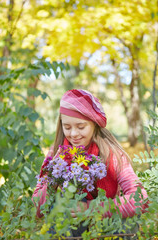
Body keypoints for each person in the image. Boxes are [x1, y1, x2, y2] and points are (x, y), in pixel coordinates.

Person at [32, 89, 148, 239]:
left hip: (106, 224)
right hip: (73, 226)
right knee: (59, 207)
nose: (73, 134)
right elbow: (37, 209)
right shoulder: (57, 153)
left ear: (94, 124)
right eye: (67, 127)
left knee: (128, 220)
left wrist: (92, 208)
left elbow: (141, 199)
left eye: (81, 127)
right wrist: (54, 178)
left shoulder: (112, 154)